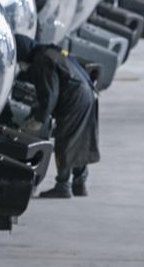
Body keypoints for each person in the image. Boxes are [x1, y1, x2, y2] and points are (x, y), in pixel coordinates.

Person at [15, 35, 100, 198]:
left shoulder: (42, 59)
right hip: (87, 93)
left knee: (64, 140)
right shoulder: (50, 51)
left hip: (73, 99)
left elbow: (50, 95)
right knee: (79, 139)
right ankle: (79, 183)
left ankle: (63, 186)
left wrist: (39, 119)